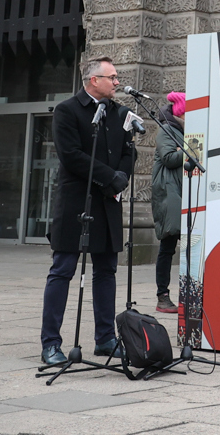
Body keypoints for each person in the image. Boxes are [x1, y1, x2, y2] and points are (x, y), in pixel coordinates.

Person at [40, 57, 135, 365]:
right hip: (76, 204)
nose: (117, 82)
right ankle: (51, 343)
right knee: (63, 270)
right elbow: (71, 155)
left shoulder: (119, 113)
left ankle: (106, 338)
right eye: (112, 77)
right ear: (94, 80)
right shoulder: (68, 110)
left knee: (106, 271)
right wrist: (110, 177)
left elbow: (127, 151)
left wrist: (120, 179)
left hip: (108, 203)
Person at [150, 92, 187, 314]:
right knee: (168, 245)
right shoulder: (166, 129)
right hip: (169, 193)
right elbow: (170, 158)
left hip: (181, 190)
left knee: (186, 245)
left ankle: (189, 293)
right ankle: (162, 296)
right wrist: (189, 150)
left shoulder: (181, 130)